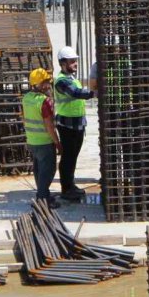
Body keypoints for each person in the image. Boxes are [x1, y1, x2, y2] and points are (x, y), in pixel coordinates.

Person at [53, 46, 96, 202]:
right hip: (67, 125)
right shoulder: (61, 81)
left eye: (75, 61)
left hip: (77, 123)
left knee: (73, 157)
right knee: (68, 158)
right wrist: (94, 92)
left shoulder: (72, 79)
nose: (75, 64)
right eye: (72, 61)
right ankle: (66, 189)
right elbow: (75, 93)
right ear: (63, 63)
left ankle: (71, 184)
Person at [22, 68, 62, 208]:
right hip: (44, 142)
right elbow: (49, 125)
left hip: (32, 141)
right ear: (38, 85)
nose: (48, 85)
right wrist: (57, 142)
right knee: (48, 170)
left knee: (39, 169)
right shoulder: (44, 102)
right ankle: (42, 199)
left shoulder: (26, 98)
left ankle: (43, 193)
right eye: (45, 82)